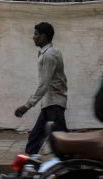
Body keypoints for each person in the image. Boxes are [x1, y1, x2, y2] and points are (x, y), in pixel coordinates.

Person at [15, 22, 68, 154]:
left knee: (64, 144)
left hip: (54, 105)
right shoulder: (49, 53)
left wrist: (27, 106)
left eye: (36, 34)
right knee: (34, 138)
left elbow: (43, 84)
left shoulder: (49, 55)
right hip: (49, 104)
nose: (33, 37)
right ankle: (27, 170)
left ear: (43, 37)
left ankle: (76, 167)